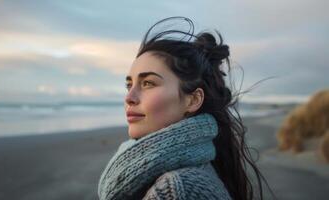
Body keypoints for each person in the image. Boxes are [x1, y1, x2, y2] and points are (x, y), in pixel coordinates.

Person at [98, 17, 275, 200]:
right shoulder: (194, 174)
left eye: (148, 83)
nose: (129, 97)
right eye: (129, 85)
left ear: (193, 100)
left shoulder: (176, 190)